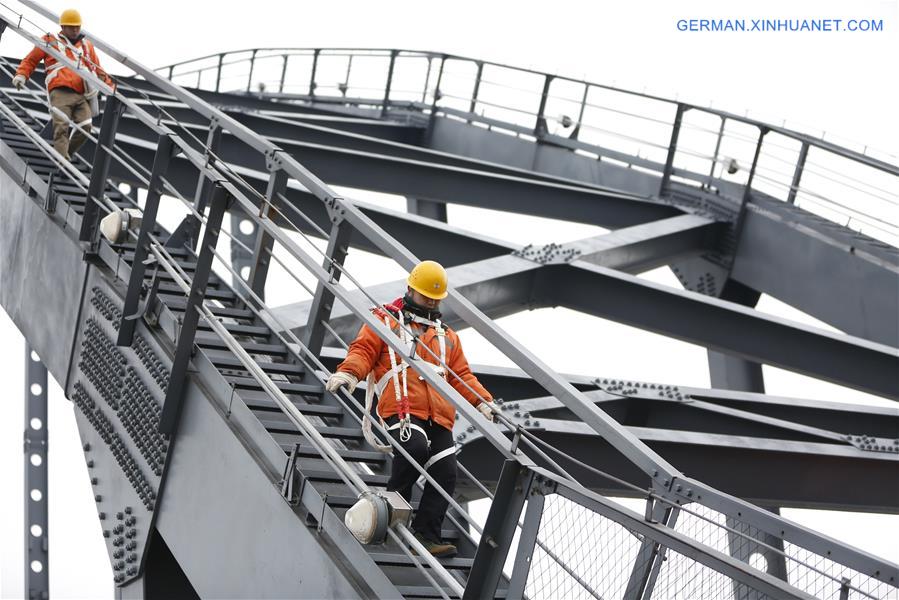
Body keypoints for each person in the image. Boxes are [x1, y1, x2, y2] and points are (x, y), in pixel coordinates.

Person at [326, 260, 495, 557]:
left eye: (434, 297)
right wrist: (349, 373)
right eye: (424, 295)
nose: (429, 301)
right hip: (402, 409)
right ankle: (392, 511)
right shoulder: (386, 320)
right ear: (410, 291)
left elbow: (461, 377)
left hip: (439, 416)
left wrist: (483, 401)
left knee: (446, 473)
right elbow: (364, 350)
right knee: (414, 449)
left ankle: (427, 536)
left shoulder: (448, 337)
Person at [13, 8, 113, 160]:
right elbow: (31, 60)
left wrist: (112, 89)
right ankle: (63, 163)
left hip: (81, 94)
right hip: (60, 91)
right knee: (61, 126)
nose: (75, 30)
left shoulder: (87, 46)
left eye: (77, 27)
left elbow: (99, 71)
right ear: (62, 27)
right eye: (71, 27)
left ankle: (66, 157)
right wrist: (21, 75)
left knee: (86, 126)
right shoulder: (49, 40)